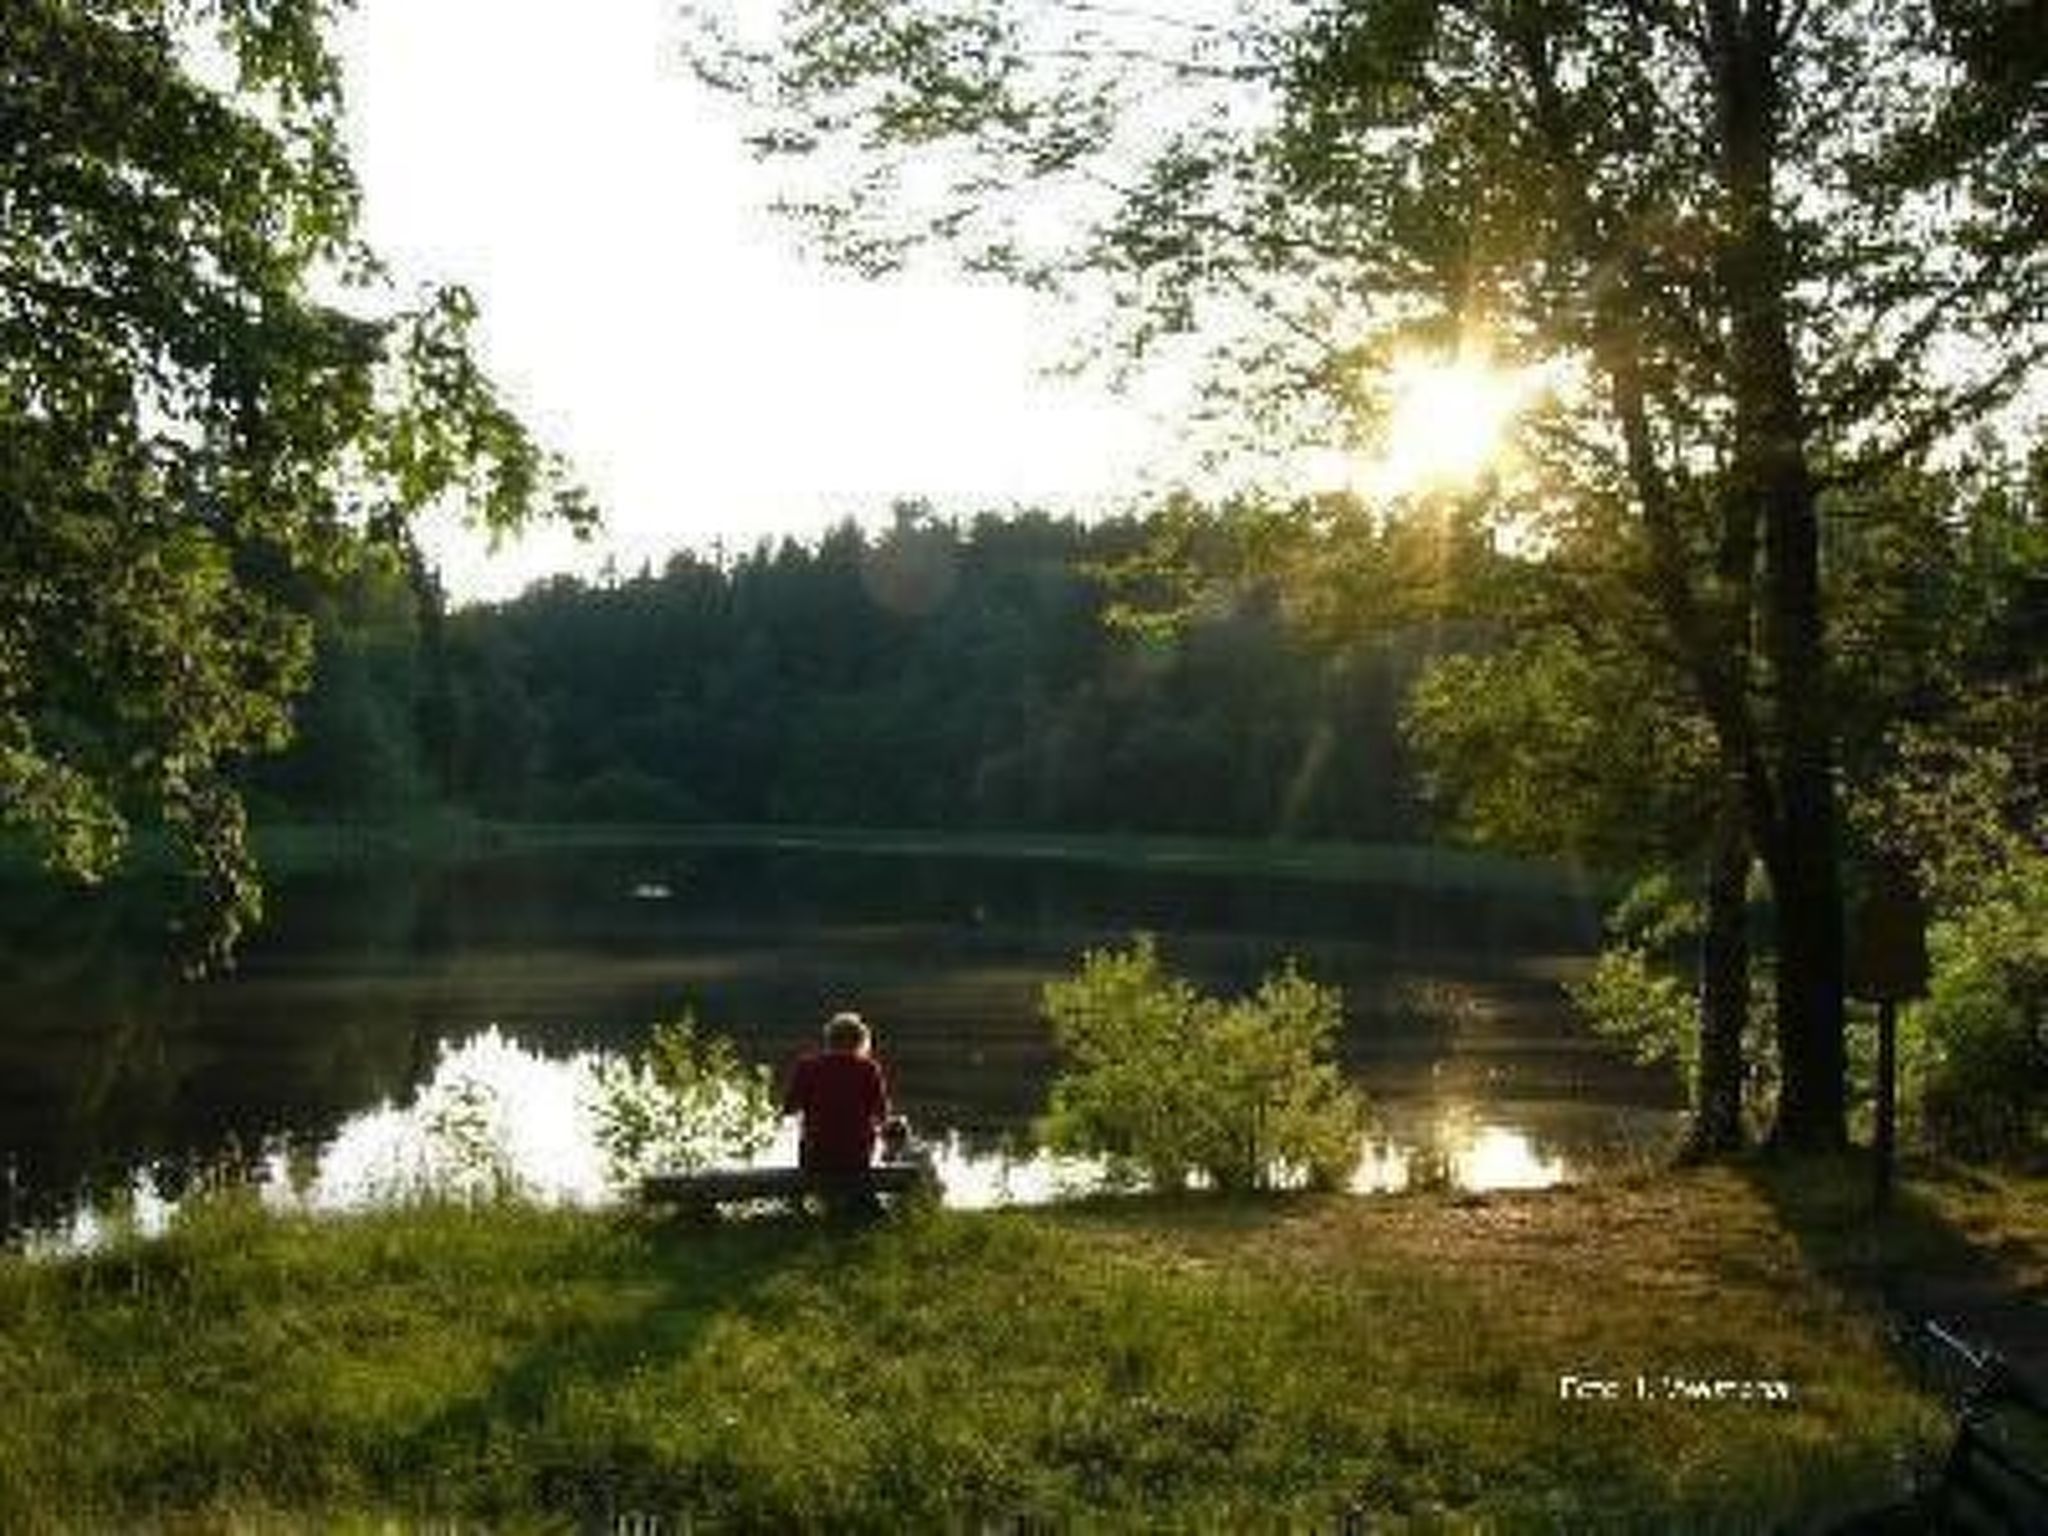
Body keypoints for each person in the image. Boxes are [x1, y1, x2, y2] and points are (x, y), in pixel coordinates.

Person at [782, 1011, 891, 1215]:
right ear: (861, 1040)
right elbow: (882, 1113)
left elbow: (788, 1108)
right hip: (856, 1158)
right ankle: (859, 1203)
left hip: (816, 1157)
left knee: (812, 1139)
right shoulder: (868, 1068)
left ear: (829, 1038)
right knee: (863, 1140)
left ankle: (822, 1203)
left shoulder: (807, 1066)